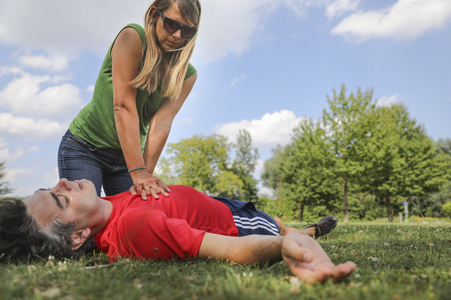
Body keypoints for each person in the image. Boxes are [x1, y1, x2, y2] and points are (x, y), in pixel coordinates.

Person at [0, 178, 355, 283]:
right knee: (272, 224)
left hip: (212, 201)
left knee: (275, 219)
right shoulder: (137, 229)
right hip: (233, 221)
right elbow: (231, 250)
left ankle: (301, 228)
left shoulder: (109, 202)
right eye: (61, 200)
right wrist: (283, 247)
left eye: (52, 187)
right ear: (78, 237)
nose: (63, 182)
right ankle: (307, 233)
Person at [58, 0, 201, 200]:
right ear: (154, 15)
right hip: (85, 148)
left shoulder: (187, 75)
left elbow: (161, 123)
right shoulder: (132, 37)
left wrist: (145, 174)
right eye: (171, 24)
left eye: (187, 31)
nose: (177, 35)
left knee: (135, 219)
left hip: (128, 158)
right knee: (86, 221)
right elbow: (123, 106)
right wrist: (138, 171)